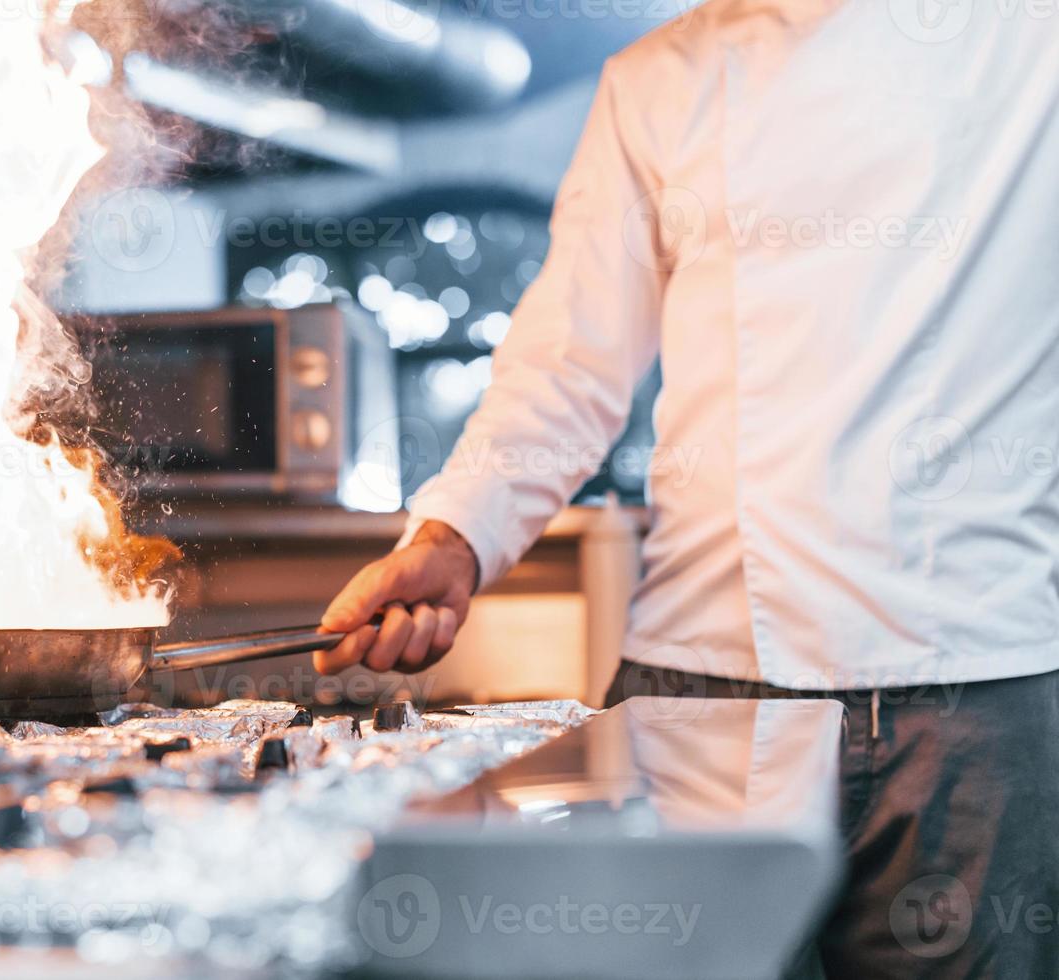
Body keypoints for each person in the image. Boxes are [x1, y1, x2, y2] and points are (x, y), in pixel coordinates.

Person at [317, 3, 1059, 977]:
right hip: (699, 686)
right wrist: (455, 536)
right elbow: (568, 364)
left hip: (970, 686)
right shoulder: (655, 78)